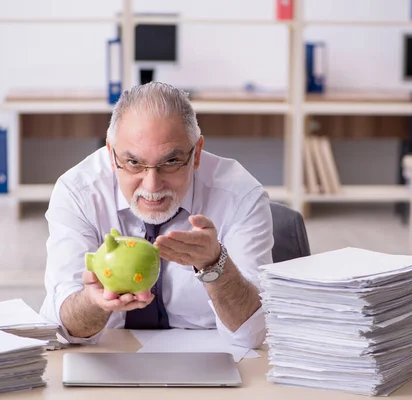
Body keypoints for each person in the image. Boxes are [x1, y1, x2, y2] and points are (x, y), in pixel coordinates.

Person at [40, 82, 274, 349]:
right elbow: (61, 329)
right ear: (111, 154)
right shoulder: (78, 192)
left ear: (196, 153)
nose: (152, 186)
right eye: (133, 163)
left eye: (171, 162)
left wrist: (215, 266)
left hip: (209, 354)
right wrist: (93, 302)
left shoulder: (241, 195)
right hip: (107, 354)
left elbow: (253, 335)